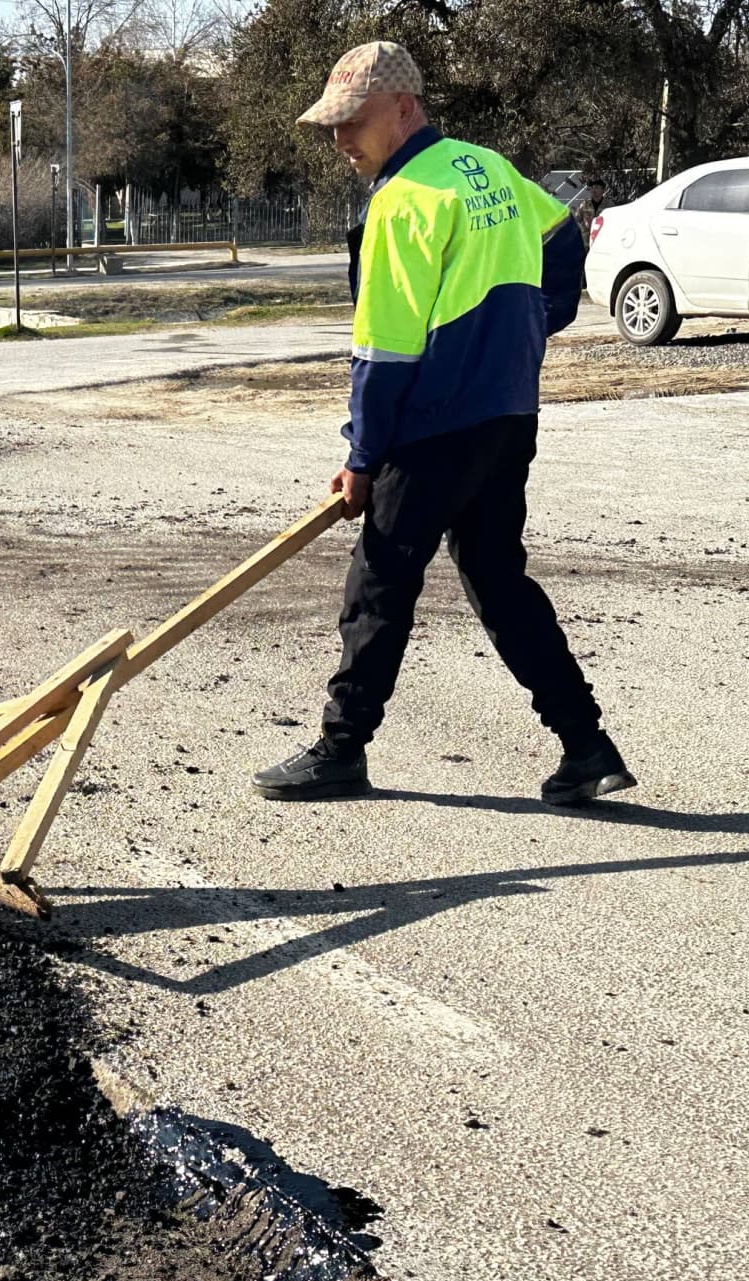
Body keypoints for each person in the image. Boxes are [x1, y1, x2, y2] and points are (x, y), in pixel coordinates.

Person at [252, 41, 633, 808]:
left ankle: (340, 748)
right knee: (499, 582)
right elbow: (562, 238)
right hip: (506, 418)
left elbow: (383, 351)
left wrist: (363, 457)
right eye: (332, 126)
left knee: (381, 581)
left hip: (433, 426)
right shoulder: (485, 167)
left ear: (403, 107)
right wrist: (531, 327)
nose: (340, 140)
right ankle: (586, 745)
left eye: (351, 122)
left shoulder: (402, 199)